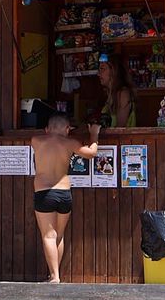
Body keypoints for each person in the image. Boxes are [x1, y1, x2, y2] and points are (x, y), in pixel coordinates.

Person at [30, 114, 99, 283]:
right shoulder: (71, 143)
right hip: (64, 193)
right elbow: (91, 153)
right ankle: (55, 274)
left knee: (48, 236)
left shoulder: (36, 141)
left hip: (44, 193)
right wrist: (94, 135)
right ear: (67, 129)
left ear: (47, 129)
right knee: (59, 235)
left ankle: (55, 276)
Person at [94, 53, 135, 131]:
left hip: (122, 141)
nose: (98, 74)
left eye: (102, 69)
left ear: (113, 71)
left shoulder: (123, 94)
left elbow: (120, 129)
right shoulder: (110, 94)